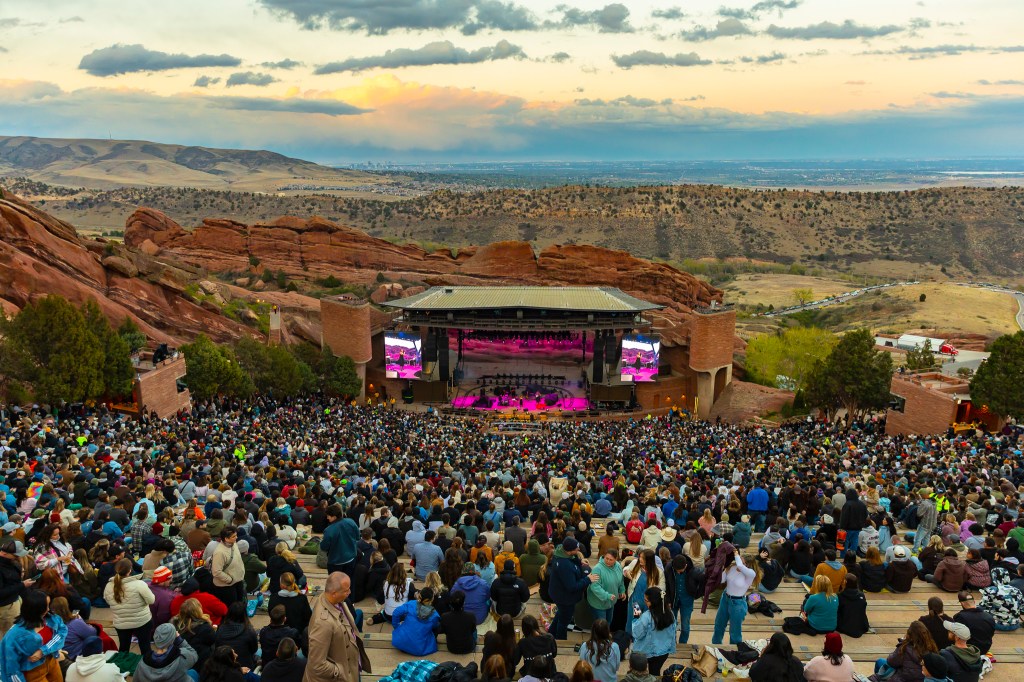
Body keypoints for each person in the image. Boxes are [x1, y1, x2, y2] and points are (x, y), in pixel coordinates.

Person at [305, 572, 366, 682]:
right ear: (334, 593)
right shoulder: (323, 623)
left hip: (350, 667)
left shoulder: (333, 599)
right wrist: (341, 671)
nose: (350, 592)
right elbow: (317, 664)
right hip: (342, 675)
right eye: (346, 590)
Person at [0, 589, 67, 682]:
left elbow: (62, 632)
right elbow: (10, 666)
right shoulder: (14, 635)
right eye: (45, 606)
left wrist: (43, 651)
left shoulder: (51, 619)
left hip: (52, 662)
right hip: (33, 673)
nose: (48, 609)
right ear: (35, 608)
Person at [104, 556, 155, 656]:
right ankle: (148, 666)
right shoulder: (140, 584)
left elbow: (108, 601)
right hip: (142, 621)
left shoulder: (109, 586)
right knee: (145, 647)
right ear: (130, 570)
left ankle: (122, 668)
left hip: (121, 623)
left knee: (123, 648)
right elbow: (151, 600)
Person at [549, 537, 598, 640]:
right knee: (564, 621)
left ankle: (551, 632)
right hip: (565, 598)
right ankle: (560, 640)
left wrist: (580, 561)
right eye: (576, 548)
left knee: (560, 613)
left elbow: (571, 559)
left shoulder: (561, 552)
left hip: (558, 593)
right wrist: (588, 579)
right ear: (569, 550)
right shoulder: (564, 565)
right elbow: (572, 586)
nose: (578, 550)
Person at [711, 546, 755, 646]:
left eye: (743, 562)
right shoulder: (732, 567)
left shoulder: (751, 574)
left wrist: (736, 554)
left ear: (748, 565)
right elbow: (721, 580)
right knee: (718, 625)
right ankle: (715, 645)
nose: (739, 563)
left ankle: (735, 652)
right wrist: (722, 569)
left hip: (738, 604)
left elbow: (740, 566)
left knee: (735, 632)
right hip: (725, 598)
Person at [630, 587, 676, 676]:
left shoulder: (646, 616)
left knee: (639, 674)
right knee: (655, 674)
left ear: (654, 602)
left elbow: (637, 634)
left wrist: (636, 618)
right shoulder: (670, 614)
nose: (645, 602)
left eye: (646, 601)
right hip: (663, 652)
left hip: (647, 653)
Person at [871, 621, 937, 682]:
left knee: (880, 662)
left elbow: (891, 661)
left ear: (910, 634)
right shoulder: (932, 647)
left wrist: (902, 644)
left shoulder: (905, 648)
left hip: (902, 679)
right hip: (921, 679)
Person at [134, 623, 199, 682]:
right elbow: (194, 654)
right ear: (173, 638)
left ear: (155, 638)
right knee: (193, 673)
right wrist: (179, 640)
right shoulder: (182, 657)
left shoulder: (143, 663)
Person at [391, 587, 440, 656]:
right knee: (437, 626)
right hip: (419, 648)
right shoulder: (434, 615)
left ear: (420, 595)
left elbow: (396, 613)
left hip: (401, 642)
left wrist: (397, 627)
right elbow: (434, 626)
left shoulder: (411, 604)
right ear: (432, 599)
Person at [215, 601, 260, 669]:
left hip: (224, 666)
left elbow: (217, 647)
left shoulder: (220, 629)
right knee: (259, 652)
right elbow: (254, 649)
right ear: (244, 614)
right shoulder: (249, 631)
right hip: (245, 666)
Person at [173, 598, 218, 665]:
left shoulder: (175, 625)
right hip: (199, 662)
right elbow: (213, 639)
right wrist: (213, 630)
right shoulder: (205, 628)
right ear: (198, 610)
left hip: (180, 660)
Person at [0, 538, 30, 637]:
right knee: (9, 636)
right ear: (4, 554)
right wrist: (22, 585)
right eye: (15, 555)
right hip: (6, 607)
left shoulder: (10, 563)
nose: (17, 557)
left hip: (15, 601)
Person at [268, 572, 313, 636]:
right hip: (298, 631)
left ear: (282, 585)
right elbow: (308, 617)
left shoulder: (273, 598)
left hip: (278, 630)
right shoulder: (302, 598)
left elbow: (271, 614)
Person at [210, 528, 245, 608]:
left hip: (238, 580)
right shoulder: (219, 552)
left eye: (236, 535)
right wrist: (229, 580)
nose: (236, 537)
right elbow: (216, 572)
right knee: (232, 607)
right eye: (233, 536)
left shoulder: (234, 544)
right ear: (226, 539)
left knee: (239, 605)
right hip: (227, 586)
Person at [587, 551, 624, 625]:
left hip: (611, 602)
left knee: (608, 622)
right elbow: (595, 587)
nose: (608, 561)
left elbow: (621, 580)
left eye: (611, 560)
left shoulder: (618, 566)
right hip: (598, 604)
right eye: (606, 558)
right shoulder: (597, 569)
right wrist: (607, 596)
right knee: (601, 626)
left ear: (616, 559)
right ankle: (599, 636)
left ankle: (606, 635)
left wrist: (622, 590)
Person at [321, 505, 359, 576]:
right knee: (348, 581)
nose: (327, 517)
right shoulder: (351, 522)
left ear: (334, 517)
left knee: (335, 583)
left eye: (328, 516)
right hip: (351, 558)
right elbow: (357, 536)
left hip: (335, 562)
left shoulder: (328, 530)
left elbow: (324, 547)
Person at [836, 574, 870, 638]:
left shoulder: (840, 596)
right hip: (861, 626)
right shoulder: (861, 595)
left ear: (845, 583)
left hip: (844, 626)